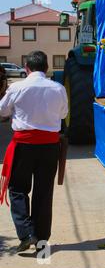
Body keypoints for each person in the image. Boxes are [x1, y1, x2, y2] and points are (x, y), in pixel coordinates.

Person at [0, 51, 68, 252]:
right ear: (46, 68)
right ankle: (41, 241)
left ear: (27, 68)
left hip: (24, 145)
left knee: (18, 189)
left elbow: (2, 111)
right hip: (49, 147)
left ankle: (27, 233)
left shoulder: (17, 87)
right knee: (43, 192)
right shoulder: (59, 88)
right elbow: (63, 113)